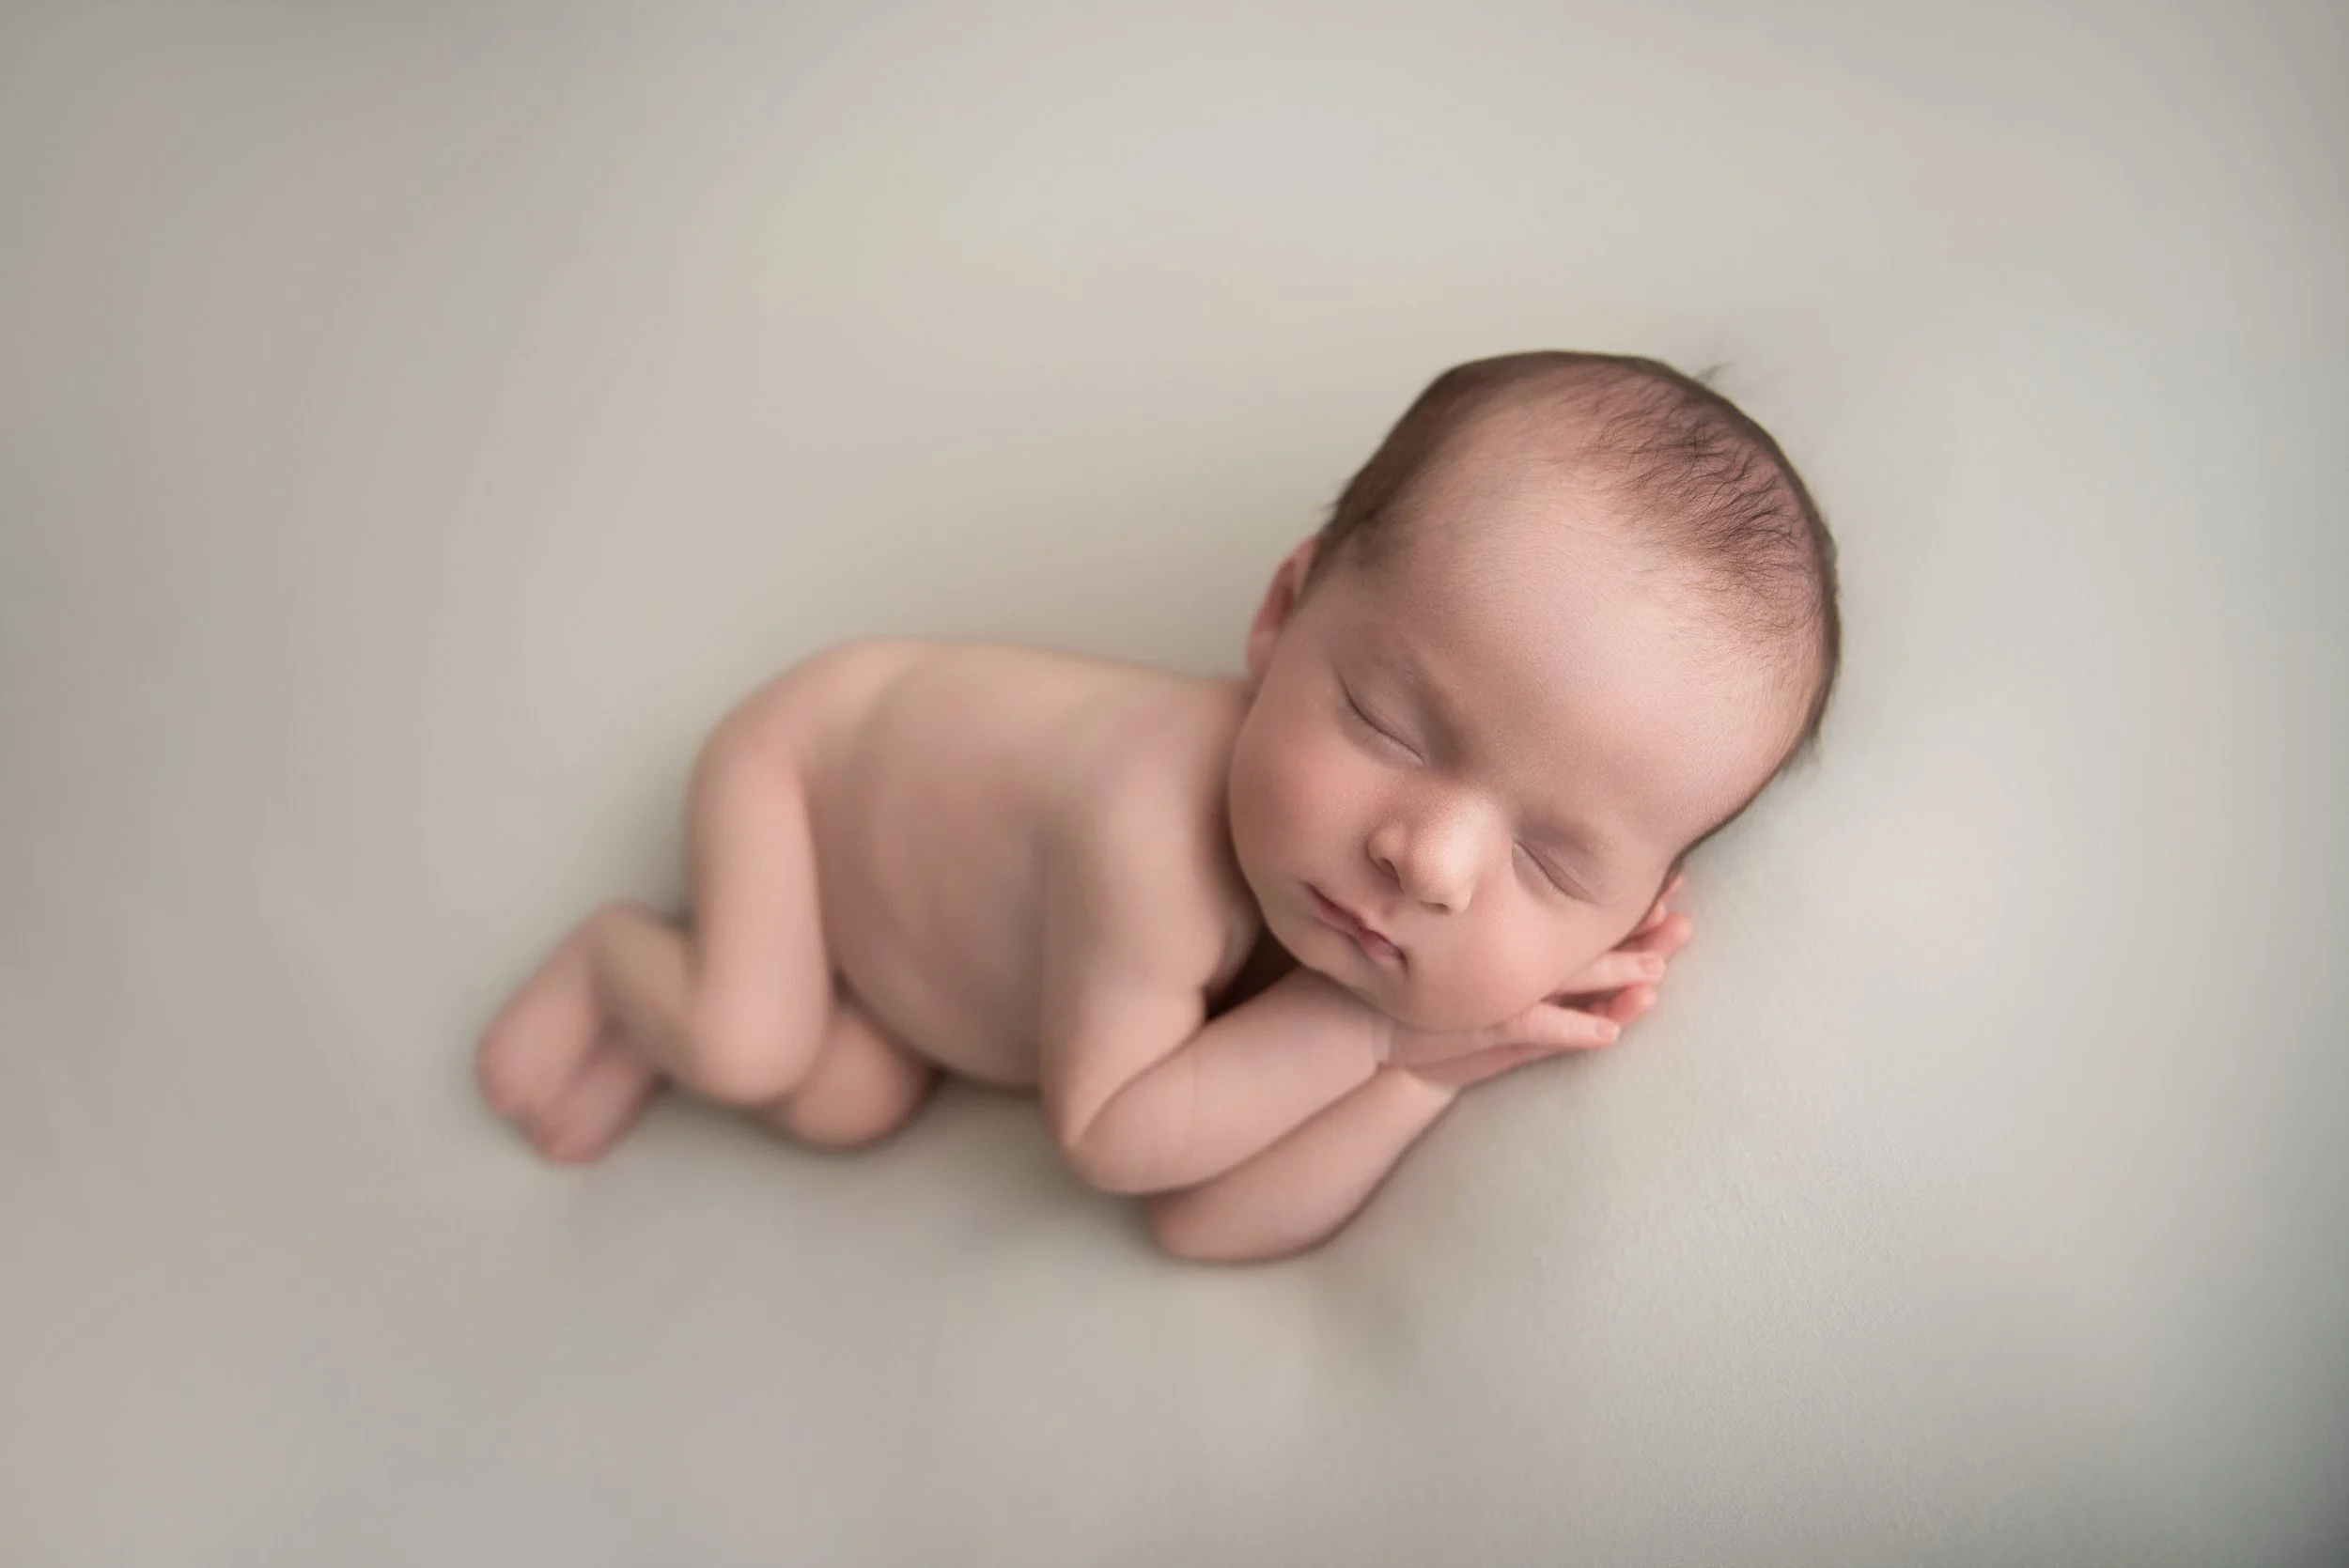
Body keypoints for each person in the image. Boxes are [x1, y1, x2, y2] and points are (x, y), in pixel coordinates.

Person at [475, 349, 1843, 1263]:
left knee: (855, 1099)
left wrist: (1423, 1072)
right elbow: (1119, 1141)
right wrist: (1368, 1036)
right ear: (1282, 614)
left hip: (913, 972)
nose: (1428, 859)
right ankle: (620, 960)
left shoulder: (1353, 938)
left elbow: (1199, 1219)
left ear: (1640, 908)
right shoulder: (1155, 817)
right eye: (1388, 722)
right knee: (751, 1040)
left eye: (1552, 863)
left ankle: (675, 1010)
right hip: (811, 773)